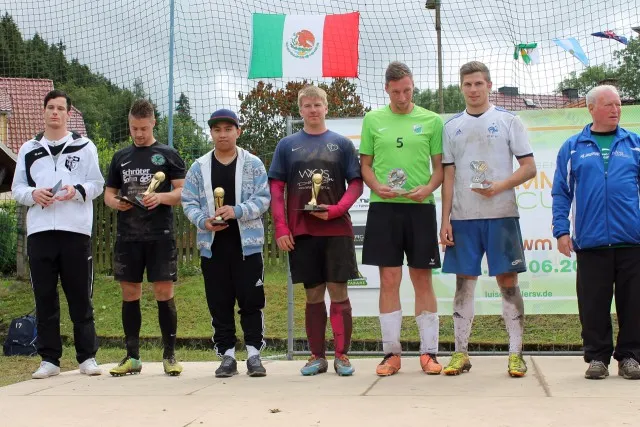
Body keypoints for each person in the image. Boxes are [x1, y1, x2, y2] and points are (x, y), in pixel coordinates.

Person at [439, 61, 536, 377]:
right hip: (464, 218)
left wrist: (499, 186)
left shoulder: (509, 121)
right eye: (467, 84)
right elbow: (448, 175)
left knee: (508, 282)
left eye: (478, 83)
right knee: (463, 284)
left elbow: (529, 168)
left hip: (501, 215)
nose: (473, 89)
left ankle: (516, 354)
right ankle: (460, 353)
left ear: (489, 85)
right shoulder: (451, 127)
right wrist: (445, 219)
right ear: (461, 88)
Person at [269, 85, 363, 376]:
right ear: (300, 110)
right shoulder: (287, 145)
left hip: (337, 230)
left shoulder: (341, 144)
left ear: (326, 108)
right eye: (307, 105)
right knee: (313, 295)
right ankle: (316, 356)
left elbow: (356, 184)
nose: (312, 110)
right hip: (302, 232)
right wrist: (281, 227)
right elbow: (276, 190)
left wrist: (336, 210)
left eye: (317, 105)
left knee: (338, 291)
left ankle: (342, 356)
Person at [12, 89, 105, 379]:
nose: (55, 112)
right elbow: (17, 189)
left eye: (60, 108)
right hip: (40, 233)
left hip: (75, 232)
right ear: (43, 111)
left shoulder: (84, 146)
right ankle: (49, 360)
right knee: (44, 297)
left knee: (80, 296)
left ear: (68, 113)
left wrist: (75, 191)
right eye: (50, 107)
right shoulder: (28, 148)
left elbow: (97, 184)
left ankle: (87, 357)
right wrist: (33, 194)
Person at [359, 62, 444, 376]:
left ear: (413, 86)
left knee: (422, 279)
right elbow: (365, 166)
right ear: (387, 89)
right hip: (385, 208)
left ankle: (429, 352)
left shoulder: (432, 121)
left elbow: (440, 170)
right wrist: (376, 186)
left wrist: (428, 188)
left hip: (420, 208)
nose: (403, 97)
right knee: (389, 280)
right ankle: (391, 354)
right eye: (396, 92)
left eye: (407, 90)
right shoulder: (373, 119)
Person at [552, 85, 640, 380]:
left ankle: (630, 357)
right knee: (593, 304)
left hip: (632, 241)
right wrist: (561, 230)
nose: (616, 110)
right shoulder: (573, 147)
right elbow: (561, 192)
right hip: (590, 242)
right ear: (591, 109)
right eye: (608, 104)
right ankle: (597, 358)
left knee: (634, 303)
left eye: (618, 104)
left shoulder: (635, 144)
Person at [182, 108, 271, 378]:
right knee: (219, 303)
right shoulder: (199, 167)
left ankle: (254, 354)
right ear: (211, 133)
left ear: (238, 132)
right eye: (217, 130)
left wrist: (237, 211)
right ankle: (227, 356)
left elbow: (264, 198)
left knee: (251, 301)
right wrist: (203, 221)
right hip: (213, 248)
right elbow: (188, 201)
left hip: (247, 247)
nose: (223, 134)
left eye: (228, 129)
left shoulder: (253, 164)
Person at [104, 99, 186, 377]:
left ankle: (170, 356)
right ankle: (132, 357)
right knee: (130, 293)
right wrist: (116, 203)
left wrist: (160, 198)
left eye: (143, 128)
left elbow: (182, 192)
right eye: (133, 128)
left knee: (163, 292)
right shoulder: (120, 157)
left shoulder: (168, 154)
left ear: (153, 123)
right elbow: (108, 194)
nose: (138, 134)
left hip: (160, 235)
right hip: (128, 236)